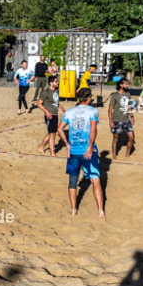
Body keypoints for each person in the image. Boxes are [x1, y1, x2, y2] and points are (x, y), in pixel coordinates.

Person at [57, 87, 104, 218]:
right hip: (88, 151)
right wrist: (90, 147)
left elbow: (60, 129)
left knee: (72, 181)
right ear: (88, 98)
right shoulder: (93, 111)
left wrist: (67, 144)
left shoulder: (70, 112)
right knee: (96, 180)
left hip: (73, 151)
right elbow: (93, 130)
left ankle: (73, 210)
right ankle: (100, 211)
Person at [36, 75, 64, 156]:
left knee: (52, 133)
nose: (57, 82)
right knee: (52, 135)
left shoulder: (56, 91)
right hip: (49, 115)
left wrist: (61, 106)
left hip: (55, 114)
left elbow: (55, 102)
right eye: (56, 81)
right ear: (51, 83)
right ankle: (52, 153)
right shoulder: (46, 92)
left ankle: (41, 147)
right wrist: (47, 112)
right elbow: (39, 103)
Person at [107, 78, 135, 159]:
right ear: (121, 85)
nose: (127, 85)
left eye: (127, 84)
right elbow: (110, 108)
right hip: (116, 119)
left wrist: (132, 116)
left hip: (126, 119)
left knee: (131, 137)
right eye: (126, 84)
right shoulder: (115, 95)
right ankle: (114, 155)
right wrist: (111, 121)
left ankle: (127, 154)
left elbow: (129, 106)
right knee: (116, 138)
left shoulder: (128, 94)